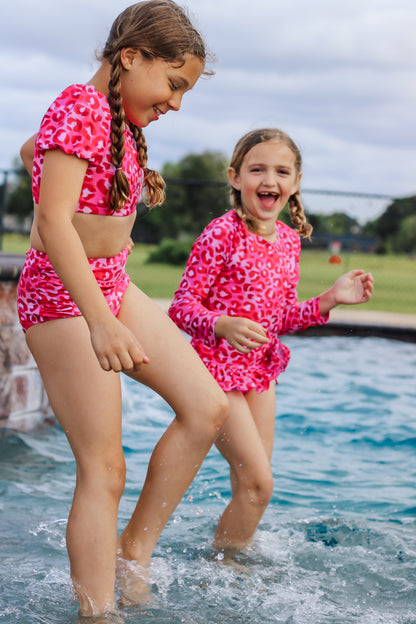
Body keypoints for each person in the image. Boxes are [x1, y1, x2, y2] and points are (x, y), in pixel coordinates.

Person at [17, 1, 229, 617]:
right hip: (65, 302)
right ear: (130, 57)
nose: (176, 103)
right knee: (105, 469)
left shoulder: (112, 119)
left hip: (111, 286)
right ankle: (97, 612)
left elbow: (36, 151)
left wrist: (47, 177)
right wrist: (100, 321)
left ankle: (133, 549)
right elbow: (53, 220)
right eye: (173, 84)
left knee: (206, 407)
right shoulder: (80, 107)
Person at [168, 128, 374, 553]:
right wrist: (221, 323)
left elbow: (280, 318)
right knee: (260, 484)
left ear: (295, 183)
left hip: (261, 373)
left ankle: (233, 557)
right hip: (217, 370)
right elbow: (181, 307)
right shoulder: (221, 234)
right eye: (257, 169)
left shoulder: (287, 243)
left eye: (282, 171)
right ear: (235, 177)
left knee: (250, 483)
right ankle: (224, 570)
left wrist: (330, 299)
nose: (269, 180)